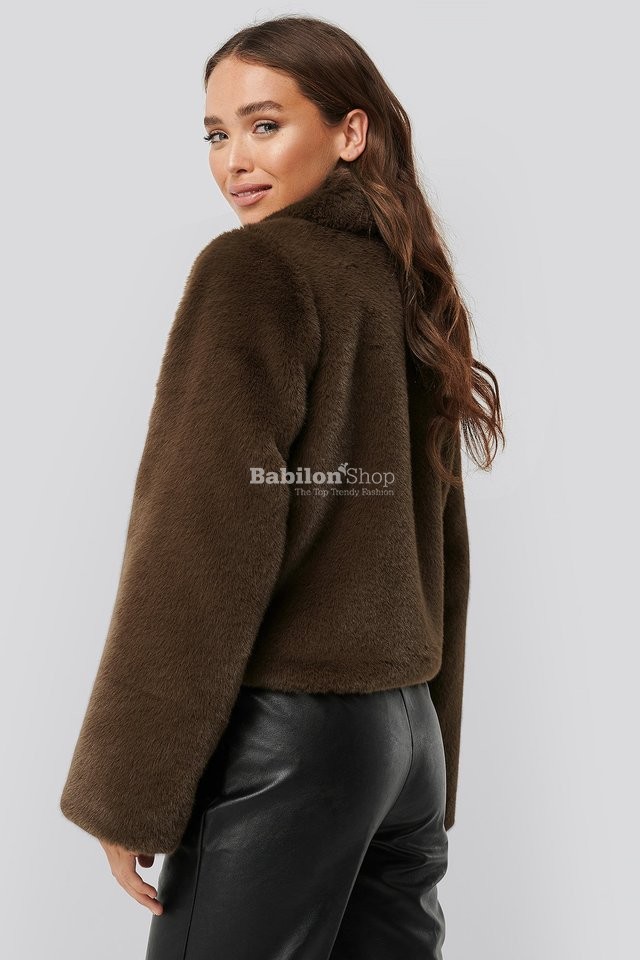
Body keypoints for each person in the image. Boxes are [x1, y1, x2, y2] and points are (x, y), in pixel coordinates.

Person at [59, 14, 504, 960]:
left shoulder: (255, 268)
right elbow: (440, 543)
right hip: (404, 738)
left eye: (265, 125)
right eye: (216, 133)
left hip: (292, 743)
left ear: (350, 132)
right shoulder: (405, 283)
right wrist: (429, 754)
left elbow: (200, 533)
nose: (235, 160)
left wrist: (129, 787)